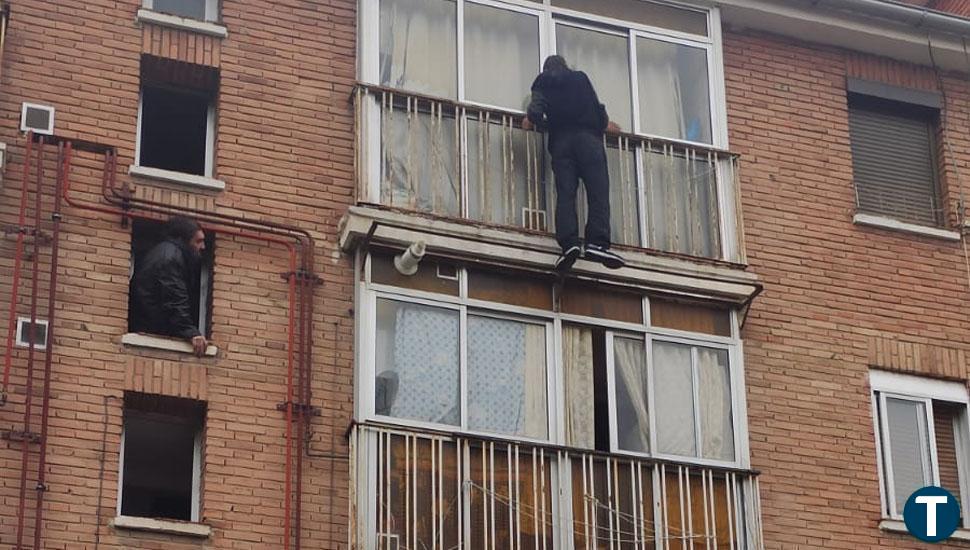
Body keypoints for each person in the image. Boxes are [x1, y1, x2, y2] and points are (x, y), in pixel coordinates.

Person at [523, 55, 625, 272]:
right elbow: (598, 112)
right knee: (598, 193)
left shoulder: (542, 82)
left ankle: (569, 244)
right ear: (566, 66)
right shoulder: (580, 79)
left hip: (561, 144)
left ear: (546, 68)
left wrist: (540, 123)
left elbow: (534, 111)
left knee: (566, 194)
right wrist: (605, 125)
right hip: (589, 141)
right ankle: (597, 243)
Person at [130, 216, 209, 356]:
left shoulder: (164, 252)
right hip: (151, 331)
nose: (203, 247)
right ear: (184, 239)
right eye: (198, 241)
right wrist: (192, 333)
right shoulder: (171, 258)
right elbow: (174, 298)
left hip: (145, 326)